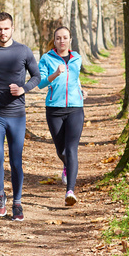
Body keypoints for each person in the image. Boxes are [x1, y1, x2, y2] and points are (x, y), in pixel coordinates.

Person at [0, 13, 40, 221]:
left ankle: (18, 202)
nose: (2, 32)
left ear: (13, 28)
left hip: (17, 115)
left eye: (6, 28)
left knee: (16, 161)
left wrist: (23, 89)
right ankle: (0, 194)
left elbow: (37, 76)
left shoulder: (23, 51)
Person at [37, 25, 85, 206]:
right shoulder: (46, 59)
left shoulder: (77, 57)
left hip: (75, 108)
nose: (62, 41)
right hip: (54, 109)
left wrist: (81, 90)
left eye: (65, 37)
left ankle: (70, 191)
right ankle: (67, 166)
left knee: (72, 149)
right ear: (54, 41)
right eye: (58, 38)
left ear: (70, 40)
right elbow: (41, 83)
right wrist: (55, 73)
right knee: (61, 150)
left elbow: (75, 78)